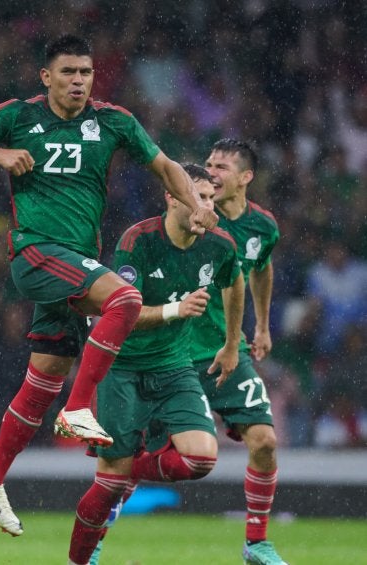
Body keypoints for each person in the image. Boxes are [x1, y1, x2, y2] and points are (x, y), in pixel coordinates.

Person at [0, 34, 218, 536]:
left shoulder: (113, 121)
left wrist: (196, 205)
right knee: (125, 299)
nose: (78, 81)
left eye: (85, 72)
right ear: (46, 77)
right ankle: (79, 408)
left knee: (43, 377)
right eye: (67, 72)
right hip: (36, 251)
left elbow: (164, 166)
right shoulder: (18, 116)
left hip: (75, 262)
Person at [69, 164, 244, 565]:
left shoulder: (219, 245)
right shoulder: (139, 240)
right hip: (123, 367)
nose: (207, 206)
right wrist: (174, 310)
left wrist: (232, 344)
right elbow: (120, 312)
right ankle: (77, 561)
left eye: (211, 199)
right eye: (198, 196)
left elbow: (235, 282)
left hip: (174, 366)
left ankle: (134, 466)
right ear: (172, 196)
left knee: (201, 458)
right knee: (109, 485)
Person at [194, 139, 286, 565]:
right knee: (146, 455)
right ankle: (94, 541)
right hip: (175, 350)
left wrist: (262, 325)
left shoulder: (262, 227)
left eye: (221, 167)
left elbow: (261, 267)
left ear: (246, 177)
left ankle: (256, 543)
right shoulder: (194, 215)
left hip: (228, 350)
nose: (211, 172)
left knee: (265, 441)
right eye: (208, 164)